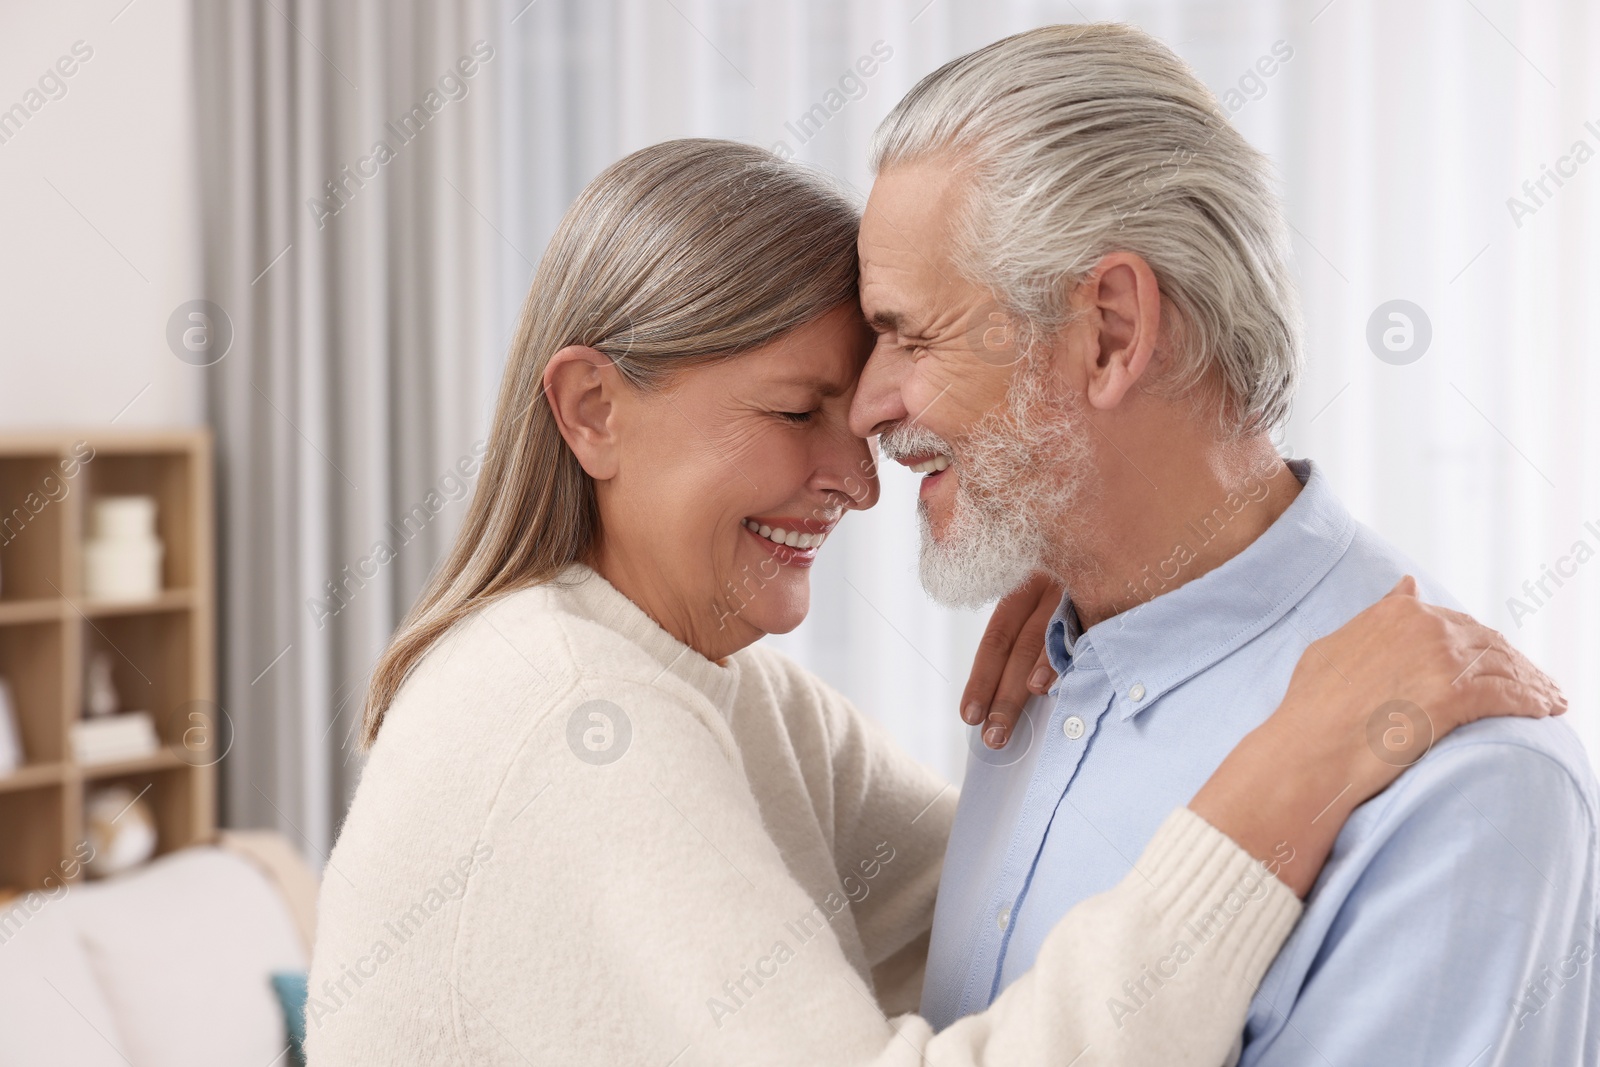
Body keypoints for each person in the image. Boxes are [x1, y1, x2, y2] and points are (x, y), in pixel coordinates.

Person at [305, 139, 1563, 1066]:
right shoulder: (573, 712)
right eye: (799, 411)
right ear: (591, 410)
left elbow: (1014, 930)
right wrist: (1290, 765)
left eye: (860, 403)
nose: (857, 474)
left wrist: (1101, 596)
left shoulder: (734, 699)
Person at [847, 23, 1600, 1066]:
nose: (864, 407)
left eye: (908, 335)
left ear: (1108, 332)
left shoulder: (1463, 785)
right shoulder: (1041, 678)